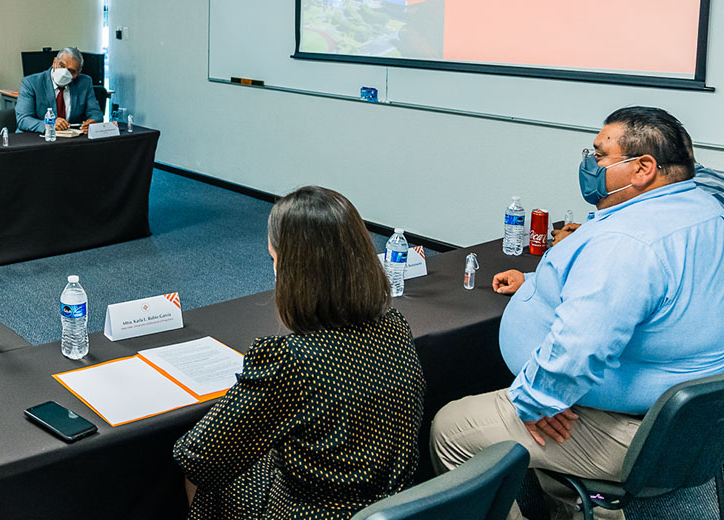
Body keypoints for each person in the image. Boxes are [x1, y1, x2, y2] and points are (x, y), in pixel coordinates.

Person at [431, 107, 724, 520]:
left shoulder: (627, 243)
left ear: (643, 168)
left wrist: (536, 401)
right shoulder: (705, 206)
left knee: (451, 428)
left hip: (634, 429)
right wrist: (538, 286)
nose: (591, 164)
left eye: (601, 155)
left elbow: (580, 348)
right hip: (694, 419)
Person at [173, 186, 425, 520]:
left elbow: (197, 455)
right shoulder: (395, 327)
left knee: (212, 479)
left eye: (274, 261)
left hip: (311, 512)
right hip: (389, 503)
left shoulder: (291, 361)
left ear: (294, 273)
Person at [14, 46, 103, 134]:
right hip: (36, 139)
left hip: (70, 140)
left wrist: (93, 122)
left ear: (77, 74)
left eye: (71, 71)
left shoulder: (84, 82)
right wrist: (49, 124)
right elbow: (23, 120)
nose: (64, 72)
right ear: (54, 62)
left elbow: (95, 112)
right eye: (62, 65)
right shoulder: (31, 83)